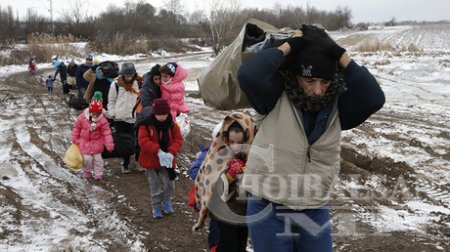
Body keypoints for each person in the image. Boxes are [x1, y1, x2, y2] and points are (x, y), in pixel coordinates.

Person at [236, 25, 385, 251]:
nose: (318, 90)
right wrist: (290, 47)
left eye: (324, 82)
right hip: (267, 206)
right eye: (310, 80)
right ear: (296, 76)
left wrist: (338, 52)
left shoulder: (338, 105)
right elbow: (248, 74)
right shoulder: (273, 95)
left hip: (314, 209)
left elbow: (374, 97)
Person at [193, 112, 256, 252]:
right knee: (228, 245)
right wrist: (230, 175)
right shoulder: (220, 155)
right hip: (224, 212)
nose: (235, 146)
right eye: (231, 142)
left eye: (240, 142)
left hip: (244, 212)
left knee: (240, 244)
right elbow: (212, 182)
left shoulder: (254, 157)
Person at [138, 98, 184, 219]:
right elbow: (143, 141)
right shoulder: (146, 125)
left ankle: (166, 201)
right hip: (150, 159)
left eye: (164, 114)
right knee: (155, 185)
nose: (162, 117)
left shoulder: (172, 124)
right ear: (154, 113)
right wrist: (157, 151)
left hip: (167, 160)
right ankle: (156, 207)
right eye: (159, 114)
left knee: (169, 183)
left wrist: (171, 152)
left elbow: (178, 139)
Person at [71, 91, 114, 181]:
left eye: (96, 114)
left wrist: (109, 144)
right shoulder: (83, 117)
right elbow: (77, 127)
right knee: (87, 159)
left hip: (97, 143)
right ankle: (87, 171)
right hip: (85, 142)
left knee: (98, 159)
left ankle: (98, 174)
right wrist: (75, 137)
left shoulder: (102, 120)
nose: (94, 116)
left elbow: (106, 132)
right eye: (92, 113)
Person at [107, 62, 140, 173]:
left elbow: (140, 100)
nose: (129, 78)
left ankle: (138, 161)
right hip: (120, 119)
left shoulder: (138, 84)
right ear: (122, 75)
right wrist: (113, 113)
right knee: (124, 143)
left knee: (136, 141)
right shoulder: (116, 84)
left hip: (134, 118)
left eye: (131, 75)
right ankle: (125, 164)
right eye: (126, 75)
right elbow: (111, 101)